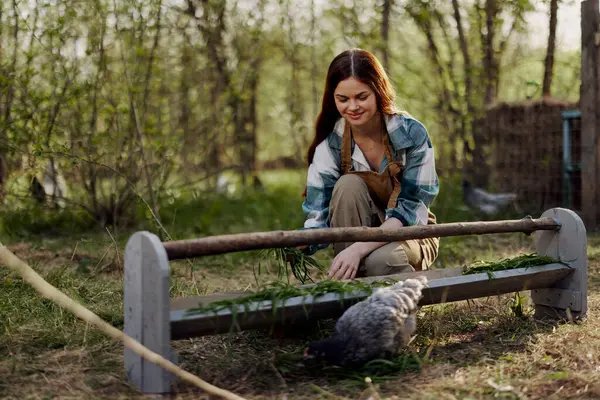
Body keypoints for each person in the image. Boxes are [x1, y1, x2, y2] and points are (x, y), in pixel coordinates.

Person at [300, 48, 439, 281]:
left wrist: (358, 249)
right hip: (354, 238)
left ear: (378, 92)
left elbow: (411, 209)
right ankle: (351, 294)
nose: (352, 107)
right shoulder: (331, 143)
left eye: (361, 97)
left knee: (381, 261)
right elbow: (318, 215)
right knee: (348, 184)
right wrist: (301, 243)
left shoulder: (411, 133)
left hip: (410, 232)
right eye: (342, 99)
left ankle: (398, 303)